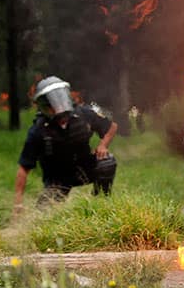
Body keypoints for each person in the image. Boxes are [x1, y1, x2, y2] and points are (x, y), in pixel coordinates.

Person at [13, 76, 117, 216]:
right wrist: (18, 203)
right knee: (43, 217)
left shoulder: (83, 114)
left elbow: (111, 126)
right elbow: (23, 168)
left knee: (107, 162)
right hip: (57, 179)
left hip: (83, 168)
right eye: (52, 104)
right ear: (45, 106)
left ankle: (100, 204)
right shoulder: (38, 131)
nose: (58, 108)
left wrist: (103, 145)